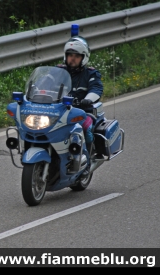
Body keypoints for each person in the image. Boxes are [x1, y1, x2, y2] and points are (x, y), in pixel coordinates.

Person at [57, 36, 104, 178]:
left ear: (83, 57)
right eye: (70, 55)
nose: (72, 59)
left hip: (82, 111)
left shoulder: (90, 73)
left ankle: (87, 159)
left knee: (85, 128)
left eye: (76, 56)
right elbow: (45, 82)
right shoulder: (58, 71)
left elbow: (96, 89)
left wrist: (87, 100)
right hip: (59, 110)